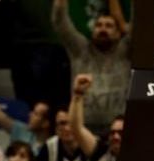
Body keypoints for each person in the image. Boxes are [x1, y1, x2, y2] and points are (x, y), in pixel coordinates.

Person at [52, 0, 130, 133]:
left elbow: (142, 25)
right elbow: (60, 22)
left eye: (109, 26)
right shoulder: (80, 49)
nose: (103, 29)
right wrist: (60, 3)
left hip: (117, 131)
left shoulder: (125, 50)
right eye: (98, 25)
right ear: (92, 30)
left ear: (118, 33)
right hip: (82, 129)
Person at [0, 66, 51, 155]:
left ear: (45, 123)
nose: (30, 114)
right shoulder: (22, 131)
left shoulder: (52, 146)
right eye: (33, 111)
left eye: (36, 114)